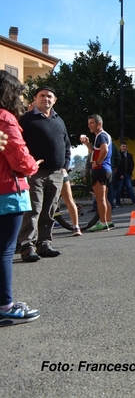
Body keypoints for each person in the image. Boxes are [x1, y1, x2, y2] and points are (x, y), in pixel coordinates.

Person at [0, 72, 41, 324]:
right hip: (7, 191)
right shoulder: (6, 118)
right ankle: (6, 306)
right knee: (4, 251)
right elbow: (20, 158)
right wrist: (33, 166)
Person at [16, 86, 70, 262]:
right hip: (35, 173)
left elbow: (66, 144)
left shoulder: (58, 120)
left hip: (56, 173)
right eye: (42, 96)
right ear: (35, 99)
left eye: (49, 96)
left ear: (54, 100)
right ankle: (27, 247)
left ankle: (44, 244)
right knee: (33, 210)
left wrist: (65, 167)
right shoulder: (26, 119)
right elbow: (18, 144)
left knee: (49, 211)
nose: (46, 99)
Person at [80, 115, 114, 232]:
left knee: (100, 199)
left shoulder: (101, 136)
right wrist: (87, 144)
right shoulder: (104, 136)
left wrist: (97, 162)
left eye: (91, 123)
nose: (89, 125)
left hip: (100, 170)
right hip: (106, 170)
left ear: (99, 124)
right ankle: (108, 221)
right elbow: (96, 151)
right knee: (104, 198)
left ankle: (103, 223)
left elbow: (104, 150)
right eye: (89, 123)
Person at [114, 143, 135, 207]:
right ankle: (118, 203)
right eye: (123, 146)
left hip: (127, 174)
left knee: (129, 188)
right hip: (120, 175)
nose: (124, 148)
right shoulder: (118, 155)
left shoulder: (129, 155)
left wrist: (130, 172)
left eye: (126, 146)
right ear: (120, 147)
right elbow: (117, 165)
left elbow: (132, 164)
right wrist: (120, 174)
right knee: (118, 189)